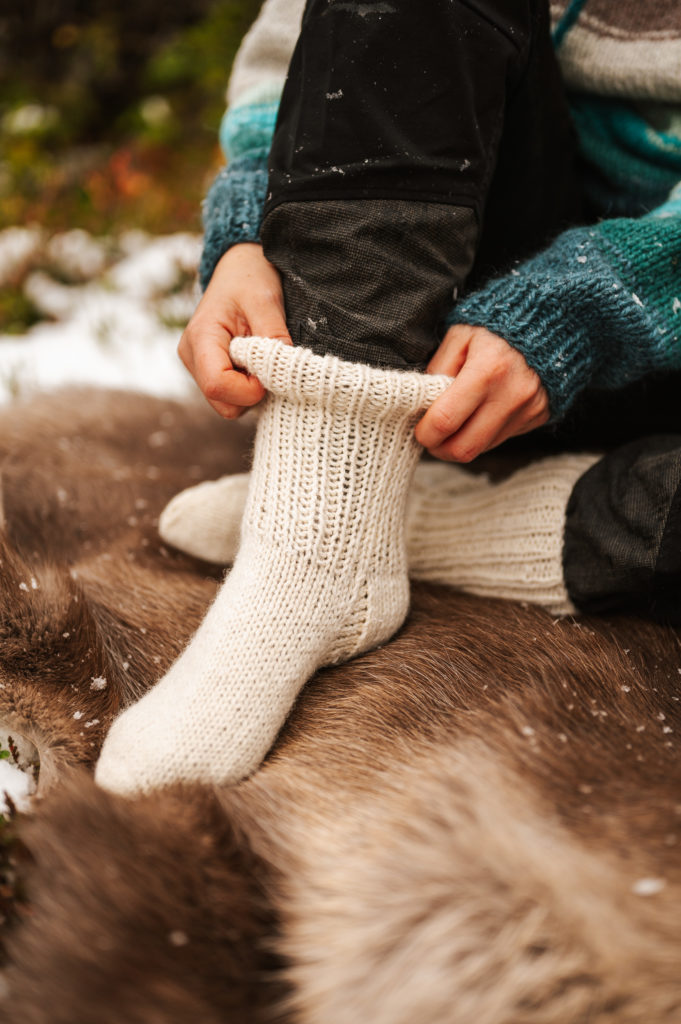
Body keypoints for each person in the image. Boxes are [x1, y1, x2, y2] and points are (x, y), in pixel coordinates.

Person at [95, 0, 681, 797]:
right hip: (465, 307)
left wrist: (599, 302)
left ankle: (423, 528)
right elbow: (303, 47)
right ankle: (318, 541)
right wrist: (249, 227)